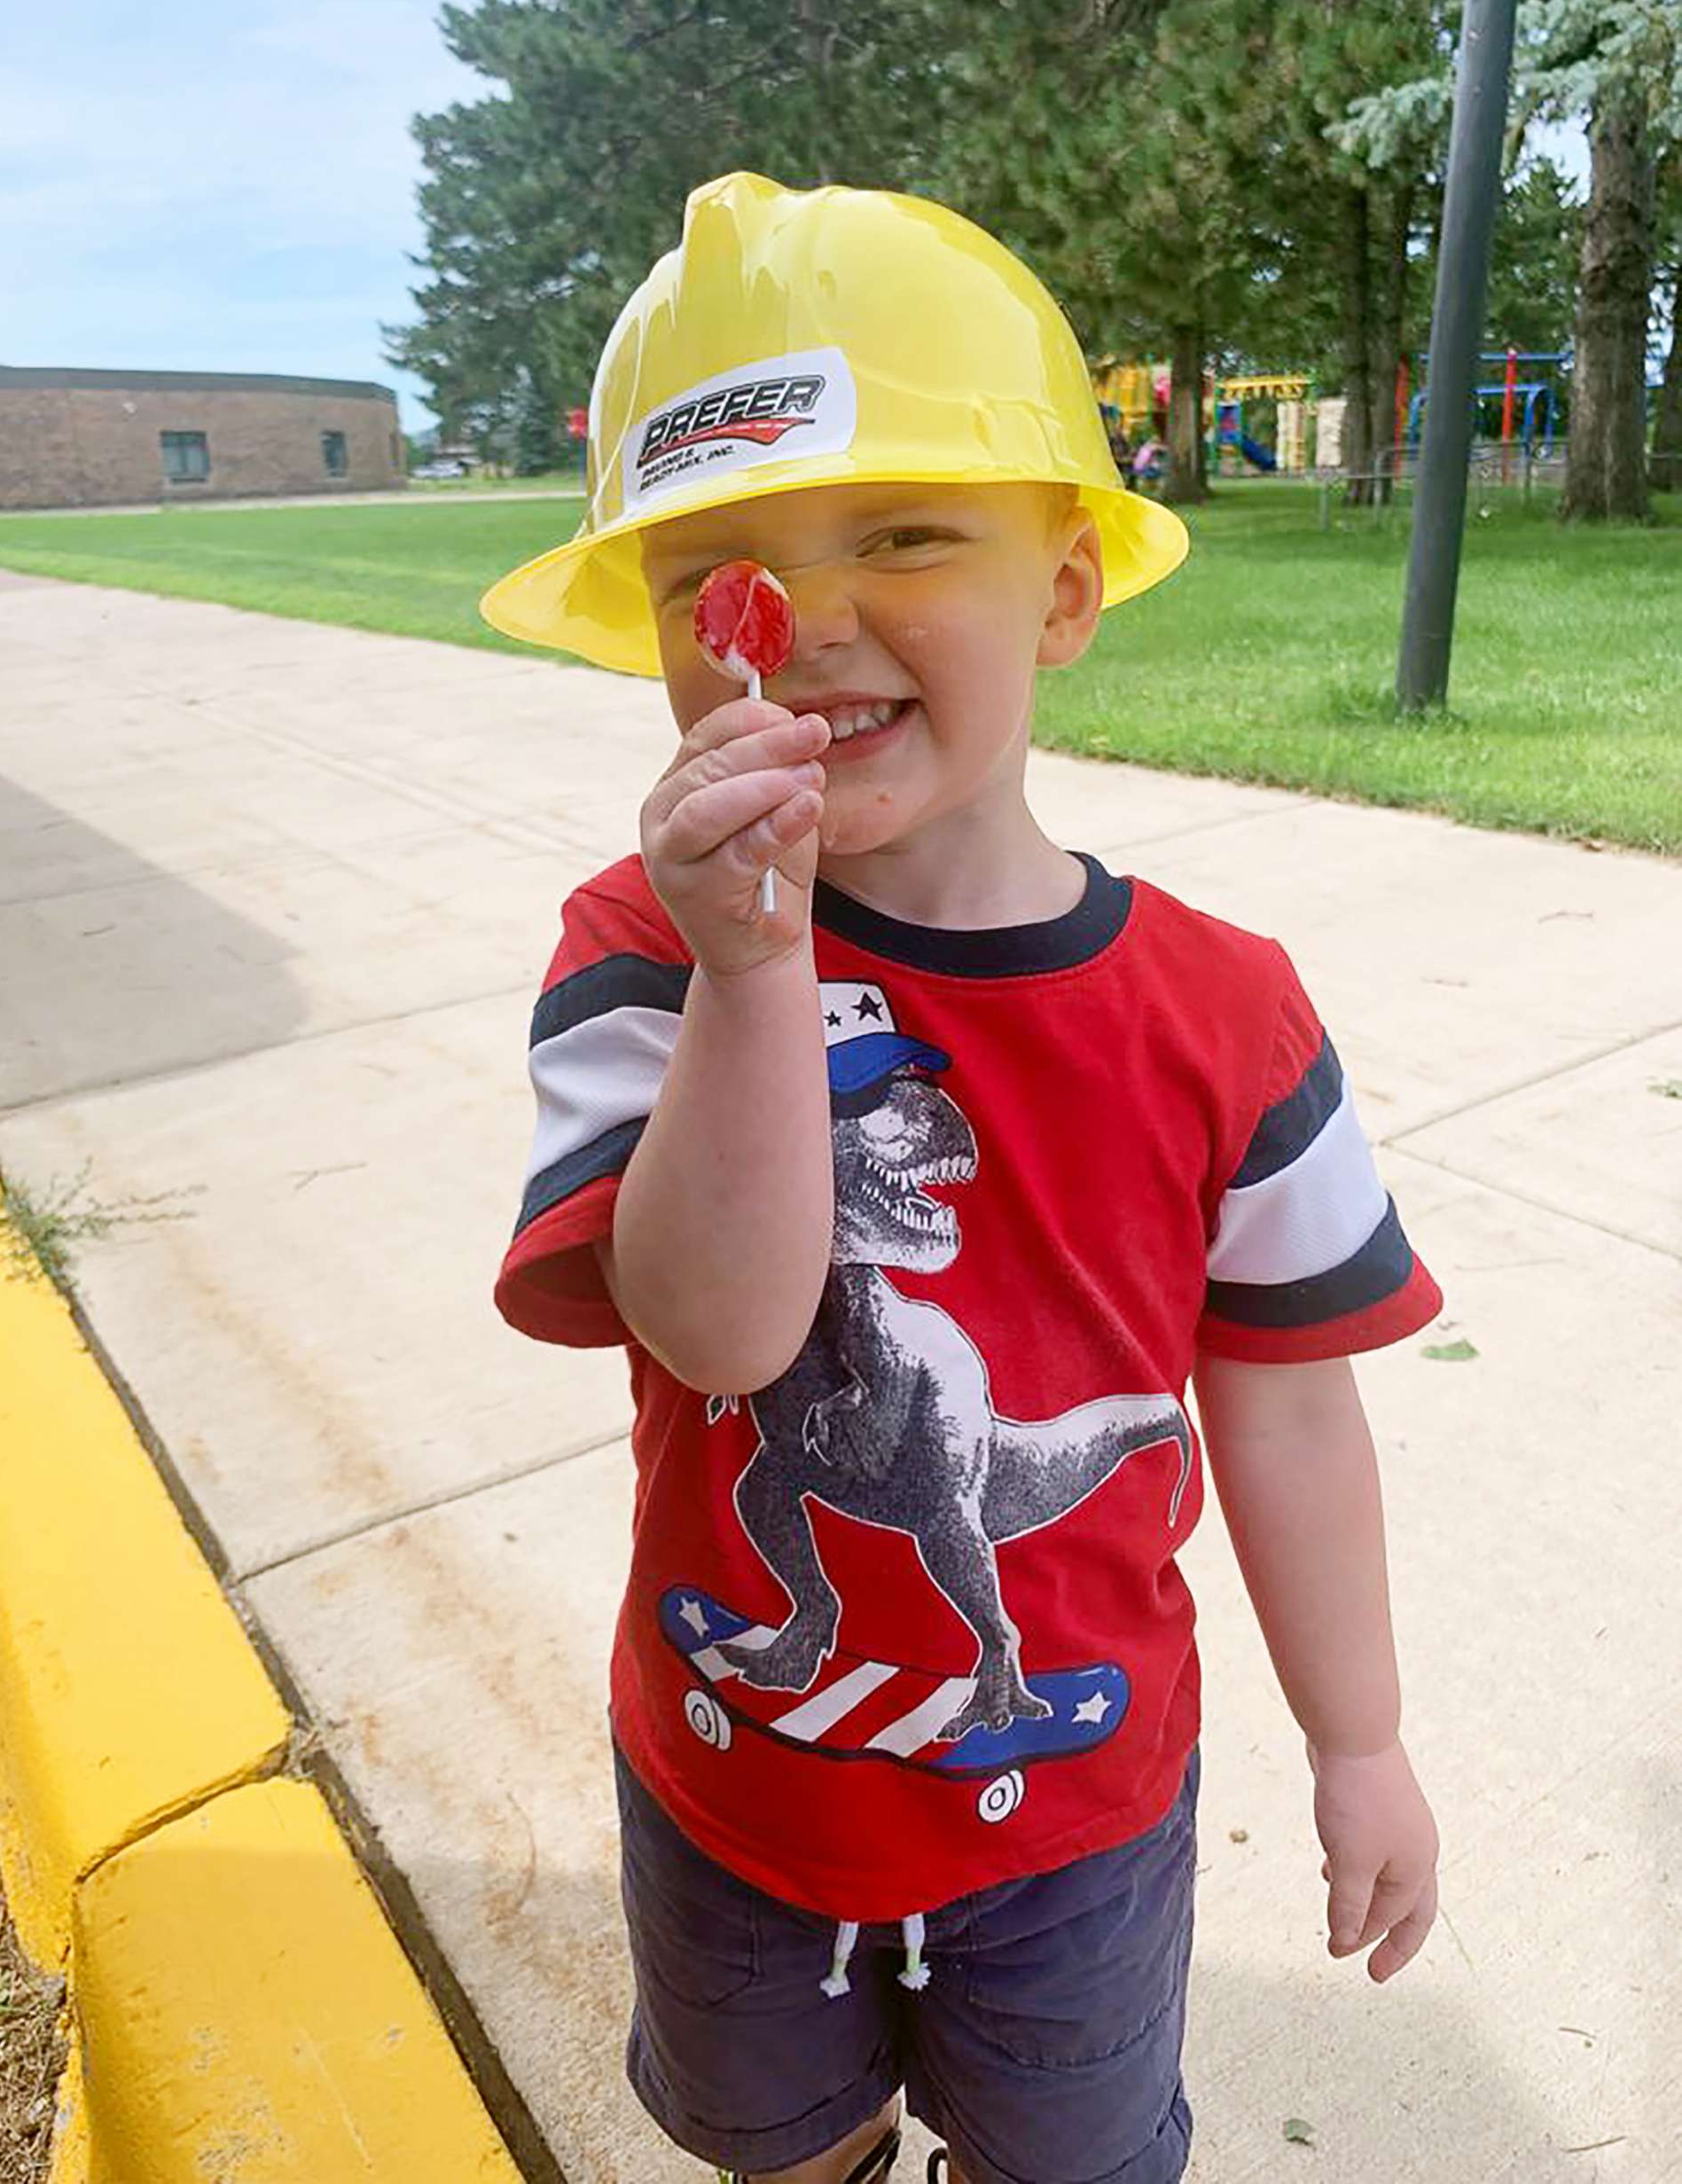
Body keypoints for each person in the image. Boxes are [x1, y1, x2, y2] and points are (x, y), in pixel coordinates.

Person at [484, 171, 1442, 2184]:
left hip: (1082, 1812)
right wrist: (757, 969)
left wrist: (1357, 1740)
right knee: (781, 2148)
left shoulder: (1228, 1016)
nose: (804, 619)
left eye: (907, 534)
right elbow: (725, 1331)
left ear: (1069, 593)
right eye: (711, 576)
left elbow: (1286, 1405)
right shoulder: (636, 951)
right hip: (741, 1789)